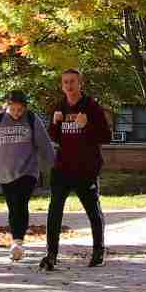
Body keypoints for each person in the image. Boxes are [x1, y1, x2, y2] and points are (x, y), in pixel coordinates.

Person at [0, 90, 54, 267]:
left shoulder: (32, 119)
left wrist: (54, 166)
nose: (17, 113)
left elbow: (45, 144)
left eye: (21, 110)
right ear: (7, 105)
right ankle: (17, 240)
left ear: (25, 108)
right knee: (13, 206)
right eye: (14, 109)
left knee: (21, 202)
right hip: (4, 172)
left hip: (28, 171)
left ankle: (17, 243)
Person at [47, 69, 111, 269]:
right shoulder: (60, 106)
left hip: (86, 168)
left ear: (80, 83)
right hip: (63, 168)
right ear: (62, 85)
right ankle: (51, 255)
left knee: (93, 211)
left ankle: (98, 252)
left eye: (72, 82)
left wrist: (87, 125)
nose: (69, 86)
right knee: (54, 211)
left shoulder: (91, 106)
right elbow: (56, 137)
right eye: (65, 82)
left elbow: (106, 136)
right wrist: (55, 124)